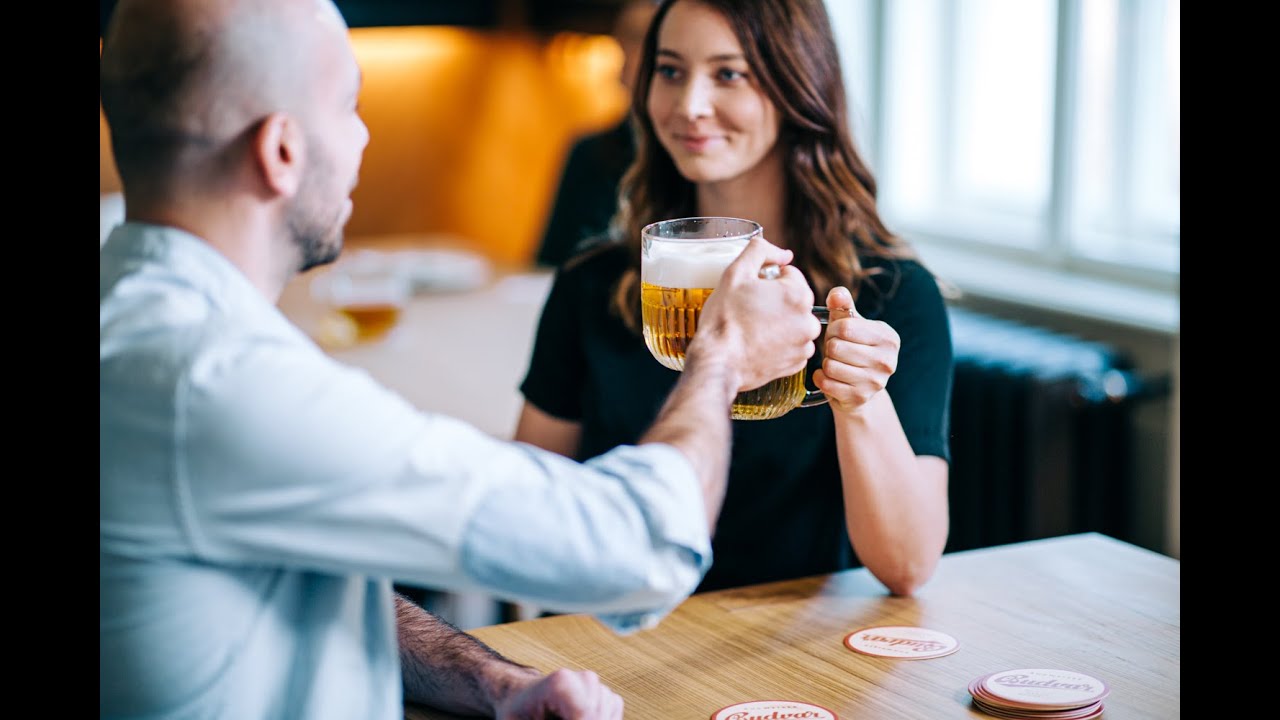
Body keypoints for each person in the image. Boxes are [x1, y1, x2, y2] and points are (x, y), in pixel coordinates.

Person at [98, 0, 824, 718]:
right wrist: (722, 352)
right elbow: (636, 546)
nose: (362, 139)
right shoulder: (220, 381)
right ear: (280, 151)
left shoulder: (144, 323)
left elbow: (304, 575)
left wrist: (486, 680)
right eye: (350, 107)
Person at [516, 0, 954, 597]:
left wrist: (861, 399)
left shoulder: (891, 292)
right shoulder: (594, 279)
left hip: (786, 654)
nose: (689, 105)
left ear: (798, 85)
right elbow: (532, 516)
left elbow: (906, 567)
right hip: (614, 630)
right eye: (669, 70)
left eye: (729, 74)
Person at [534, 0, 658, 267]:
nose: (645, 55)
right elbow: (551, 260)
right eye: (634, 41)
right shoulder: (589, 152)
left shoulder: (701, 159)